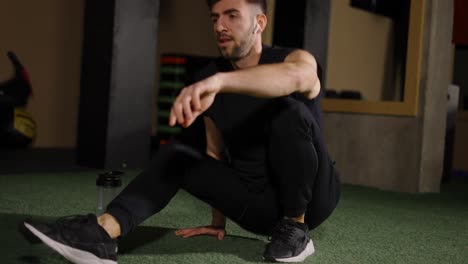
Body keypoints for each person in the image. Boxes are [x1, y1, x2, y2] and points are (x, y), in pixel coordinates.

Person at [23, 0, 340, 263]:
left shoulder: (294, 60)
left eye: (231, 15)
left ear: (259, 22)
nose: (219, 26)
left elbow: (297, 77)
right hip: (258, 207)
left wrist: (221, 83)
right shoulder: (208, 75)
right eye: (215, 17)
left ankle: (295, 229)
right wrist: (219, 220)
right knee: (180, 150)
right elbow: (215, 153)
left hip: (313, 198)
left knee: (288, 111)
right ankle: (103, 234)